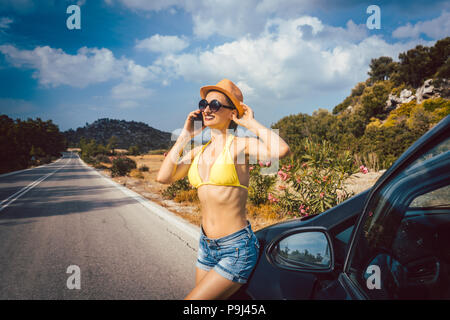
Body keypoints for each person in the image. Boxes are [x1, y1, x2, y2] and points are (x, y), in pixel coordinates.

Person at [157, 79, 290, 299]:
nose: (207, 109)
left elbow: (281, 150)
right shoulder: (198, 151)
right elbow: (163, 177)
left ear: (232, 113)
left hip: (236, 248)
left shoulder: (239, 146)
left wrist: (250, 123)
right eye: (204, 104)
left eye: (215, 105)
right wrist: (185, 136)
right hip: (206, 245)